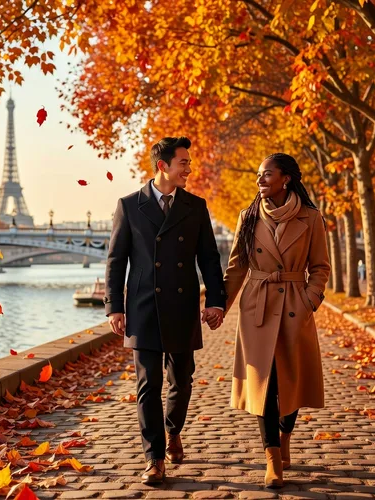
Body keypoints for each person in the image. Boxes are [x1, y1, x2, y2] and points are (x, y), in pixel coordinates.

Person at [104, 137, 227, 485]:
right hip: (142, 307)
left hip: (182, 303)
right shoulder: (129, 205)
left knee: (181, 380)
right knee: (147, 385)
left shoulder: (195, 206)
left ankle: (173, 431)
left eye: (188, 163)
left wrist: (216, 300)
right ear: (163, 166)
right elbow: (116, 260)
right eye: (183, 163)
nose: (189, 169)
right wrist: (115, 307)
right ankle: (154, 458)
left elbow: (208, 259)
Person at [223, 153, 330, 488]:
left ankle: (285, 435)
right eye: (258, 174)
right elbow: (237, 267)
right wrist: (218, 306)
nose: (260, 179)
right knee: (263, 386)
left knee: (292, 381)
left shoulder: (311, 218)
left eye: (266, 174)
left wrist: (310, 299)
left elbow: (321, 268)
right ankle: (271, 458)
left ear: (286, 178)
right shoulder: (248, 216)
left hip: (296, 305)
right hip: (258, 304)